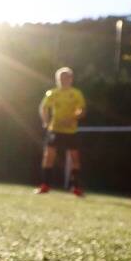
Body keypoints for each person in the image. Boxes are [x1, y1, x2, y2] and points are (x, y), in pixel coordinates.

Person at [37, 67, 86, 196]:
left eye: (66, 78)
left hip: (71, 131)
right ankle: (45, 185)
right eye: (61, 78)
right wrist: (46, 121)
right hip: (55, 130)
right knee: (49, 156)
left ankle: (75, 187)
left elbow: (81, 110)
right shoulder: (52, 93)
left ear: (71, 79)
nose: (64, 80)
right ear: (57, 79)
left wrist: (74, 117)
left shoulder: (76, 94)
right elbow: (43, 108)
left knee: (75, 158)